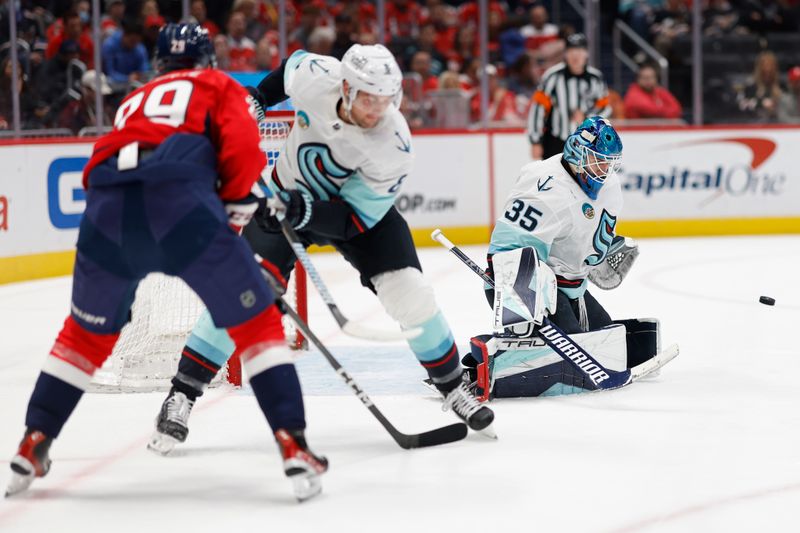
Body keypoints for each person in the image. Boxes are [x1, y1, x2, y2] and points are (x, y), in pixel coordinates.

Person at [6, 23, 327, 502]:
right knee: (257, 324)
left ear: (159, 64)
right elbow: (241, 151)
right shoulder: (218, 86)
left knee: (83, 336)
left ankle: (34, 441)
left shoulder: (136, 98)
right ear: (208, 61)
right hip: (181, 210)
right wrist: (235, 208)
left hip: (106, 214)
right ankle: (294, 444)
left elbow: (100, 161)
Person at [148, 43, 496, 455]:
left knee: (412, 296)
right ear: (346, 88)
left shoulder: (394, 143)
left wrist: (304, 207)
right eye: (369, 97)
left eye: (386, 98)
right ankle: (182, 395)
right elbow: (288, 67)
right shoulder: (317, 76)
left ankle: (454, 389)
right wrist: (260, 99)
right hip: (283, 202)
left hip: (358, 217)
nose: (377, 108)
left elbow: (353, 220)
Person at [464, 117, 657, 399]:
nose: (605, 170)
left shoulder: (608, 184)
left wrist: (600, 253)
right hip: (526, 290)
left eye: (610, 163)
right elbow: (507, 252)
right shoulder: (545, 188)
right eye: (599, 161)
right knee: (579, 358)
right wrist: (523, 306)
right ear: (578, 154)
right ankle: (483, 363)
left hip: (571, 288)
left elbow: (587, 232)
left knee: (608, 348)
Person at [527, 33, 610, 160]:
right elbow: (538, 109)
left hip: (587, 142)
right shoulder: (552, 76)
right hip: (556, 141)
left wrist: (587, 117)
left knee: (582, 179)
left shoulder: (596, 78)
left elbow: (605, 108)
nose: (575, 55)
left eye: (579, 50)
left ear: (586, 53)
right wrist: (535, 141)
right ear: (565, 54)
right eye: (571, 50)